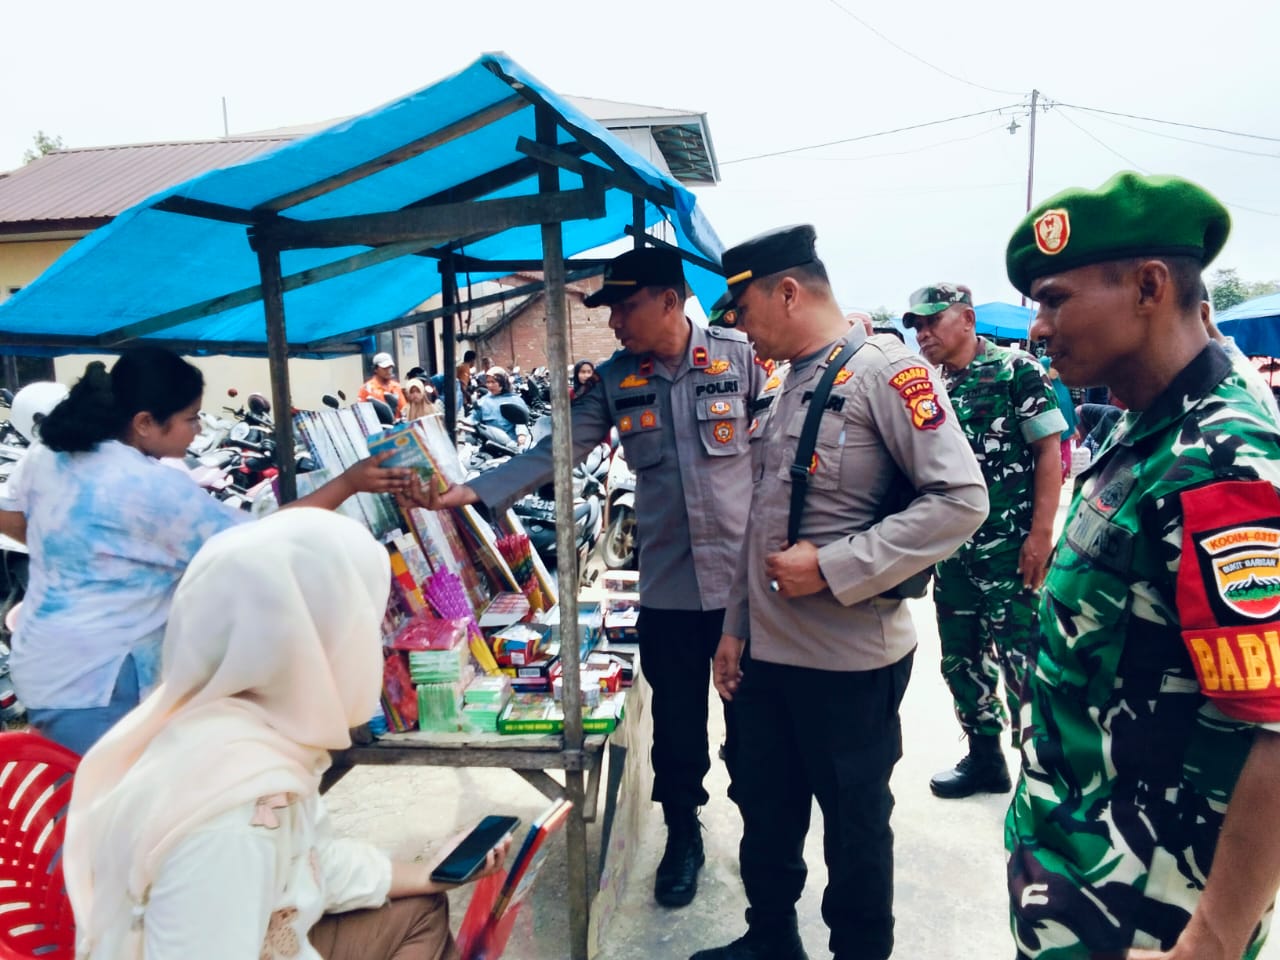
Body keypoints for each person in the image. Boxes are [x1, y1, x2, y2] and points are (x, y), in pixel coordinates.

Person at [425, 246, 764, 910]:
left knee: (755, 723)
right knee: (677, 727)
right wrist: (474, 491)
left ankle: (763, 836)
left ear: (670, 301)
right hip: (668, 590)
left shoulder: (740, 358)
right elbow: (559, 448)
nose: (614, 322)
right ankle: (683, 835)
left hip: (742, 590)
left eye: (626, 306)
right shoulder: (615, 379)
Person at [1004, 170, 1280, 959]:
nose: (1039, 327)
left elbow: (1274, 725)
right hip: (1078, 864)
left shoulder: (1221, 462)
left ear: (1150, 288)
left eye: (1055, 300)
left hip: (1147, 908)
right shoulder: (1151, 424)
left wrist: (1214, 938)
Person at [694, 226, 987, 960]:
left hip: (848, 662)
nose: (738, 329)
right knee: (764, 808)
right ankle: (770, 938)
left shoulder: (886, 372)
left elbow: (960, 500)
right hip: (766, 658)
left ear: (789, 293)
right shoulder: (785, 382)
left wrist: (832, 565)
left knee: (854, 828)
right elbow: (761, 521)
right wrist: (735, 629)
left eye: (743, 310)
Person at [63, 509, 509, 960]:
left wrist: (429, 872)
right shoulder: (234, 820)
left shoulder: (237, 735)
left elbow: (309, 863)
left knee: (419, 909)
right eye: (365, 631)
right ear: (313, 648)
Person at [0, 347, 410, 756]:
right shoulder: (150, 488)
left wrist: (72, 550)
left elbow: (11, 515)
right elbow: (264, 540)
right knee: (110, 791)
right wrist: (348, 484)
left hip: (42, 662)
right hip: (102, 678)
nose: (198, 430)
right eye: (190, 418)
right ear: (145, 422)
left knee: (73, 783)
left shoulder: (47, 454)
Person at [902, 282, 1066, 799]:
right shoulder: (930, 384)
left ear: (968, 320)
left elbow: (1049, 453)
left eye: (933, 321)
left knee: (1025, 664)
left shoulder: (1017, 370)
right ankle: (985, 759)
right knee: (961, 659)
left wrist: (1041, 534)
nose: (923, 333)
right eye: (917, 326)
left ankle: (1043, 779)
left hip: (1010, 551)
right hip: (953, 554)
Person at [1038, 354, 1078, 480]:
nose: (1056, 370)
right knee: (1054, 467)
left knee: (1065, 463)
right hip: (1051, 436)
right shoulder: (1041, 389)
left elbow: (1069, 407)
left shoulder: (1061, 385)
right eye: (1052, 368)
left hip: (1065, 434)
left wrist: (1074, 428)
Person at [473, 366, 530, 448]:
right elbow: (474, 417)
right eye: (488, 382)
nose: (490, 385)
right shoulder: (484, 400)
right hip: (490, 442)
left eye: (493, 382)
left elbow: (521, 422)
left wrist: (521, 435)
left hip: (512, 443)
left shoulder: (514, 399)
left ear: (503, 383)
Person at [358, 352, 407, 418]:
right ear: (375, 369)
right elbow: (361, 413)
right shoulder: (366, 388)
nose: (388, 371)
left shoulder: (396, 386)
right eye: (385, 368)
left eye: (390, 368)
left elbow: (404, 410)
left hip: (396, 423)